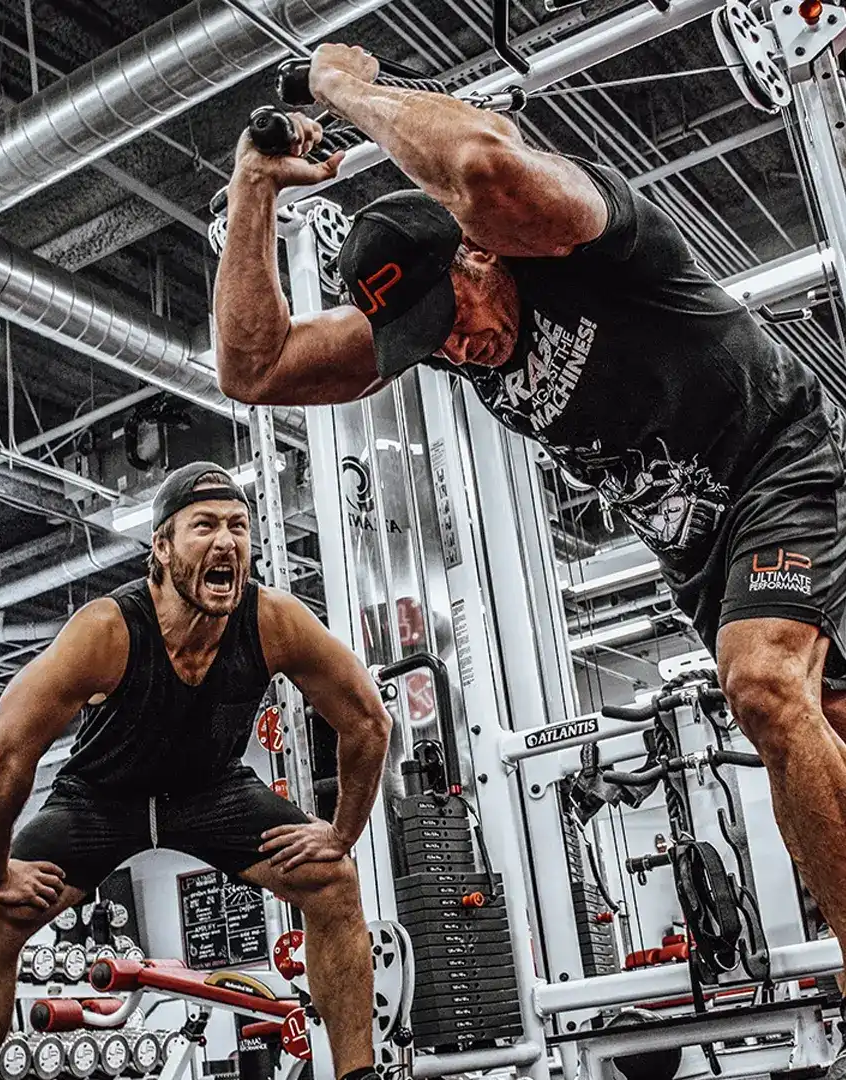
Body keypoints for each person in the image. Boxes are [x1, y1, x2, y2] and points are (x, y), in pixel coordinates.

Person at [213, 42, 846, 1063]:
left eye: (452, 318)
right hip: (695, 545)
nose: (456, 351)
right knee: (813, 729)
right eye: (426, 344)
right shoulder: (440, 333)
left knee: (763, 685)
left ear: (478, 255)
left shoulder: (567, 238)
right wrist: (253, 185)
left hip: (775, 453)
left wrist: (342, 89)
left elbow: (483, 169)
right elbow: (252, 367)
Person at [0, 461, 393, 1080]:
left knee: (334, 879)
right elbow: (2, 752)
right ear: (161, 547)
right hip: (100, 798)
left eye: (239, 526)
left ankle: (357, 1075)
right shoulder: (107, 631)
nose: (226, 541)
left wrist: (342, 833)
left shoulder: (271, 621)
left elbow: (368, 722)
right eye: (204, 525)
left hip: (212, 792)